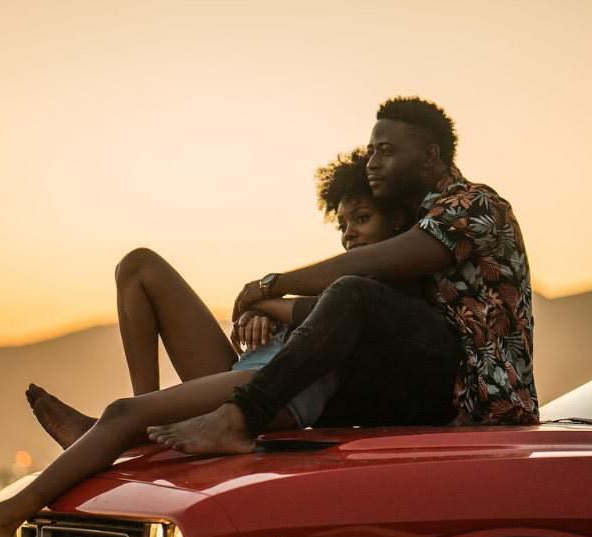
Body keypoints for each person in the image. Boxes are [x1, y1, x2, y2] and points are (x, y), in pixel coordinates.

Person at [0, 148, 411, 537]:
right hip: (246, 368)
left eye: (363, 219)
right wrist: (263, 315)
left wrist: (273, 305)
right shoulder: (335, 282)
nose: (350, 234)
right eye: (344, 223)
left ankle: (9, 514)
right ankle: (130, 431)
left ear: (397, 223)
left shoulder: (389, 286)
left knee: (123, 412)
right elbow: (303, 312)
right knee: (138, 267)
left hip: (278, 393)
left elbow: (343, 319)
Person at [148, 96, 537, 456]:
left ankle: (236, 417)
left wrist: (273, 285)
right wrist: (271, 311)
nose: (372, 163)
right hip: (426, 390)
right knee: (331, 362)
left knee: (355, 292)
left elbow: (371, 267)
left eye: (386, 152)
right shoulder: (414, 220)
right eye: (370, 152)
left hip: (488, 401)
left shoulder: (474, 203)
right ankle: (164, 425)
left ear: (428, 156)